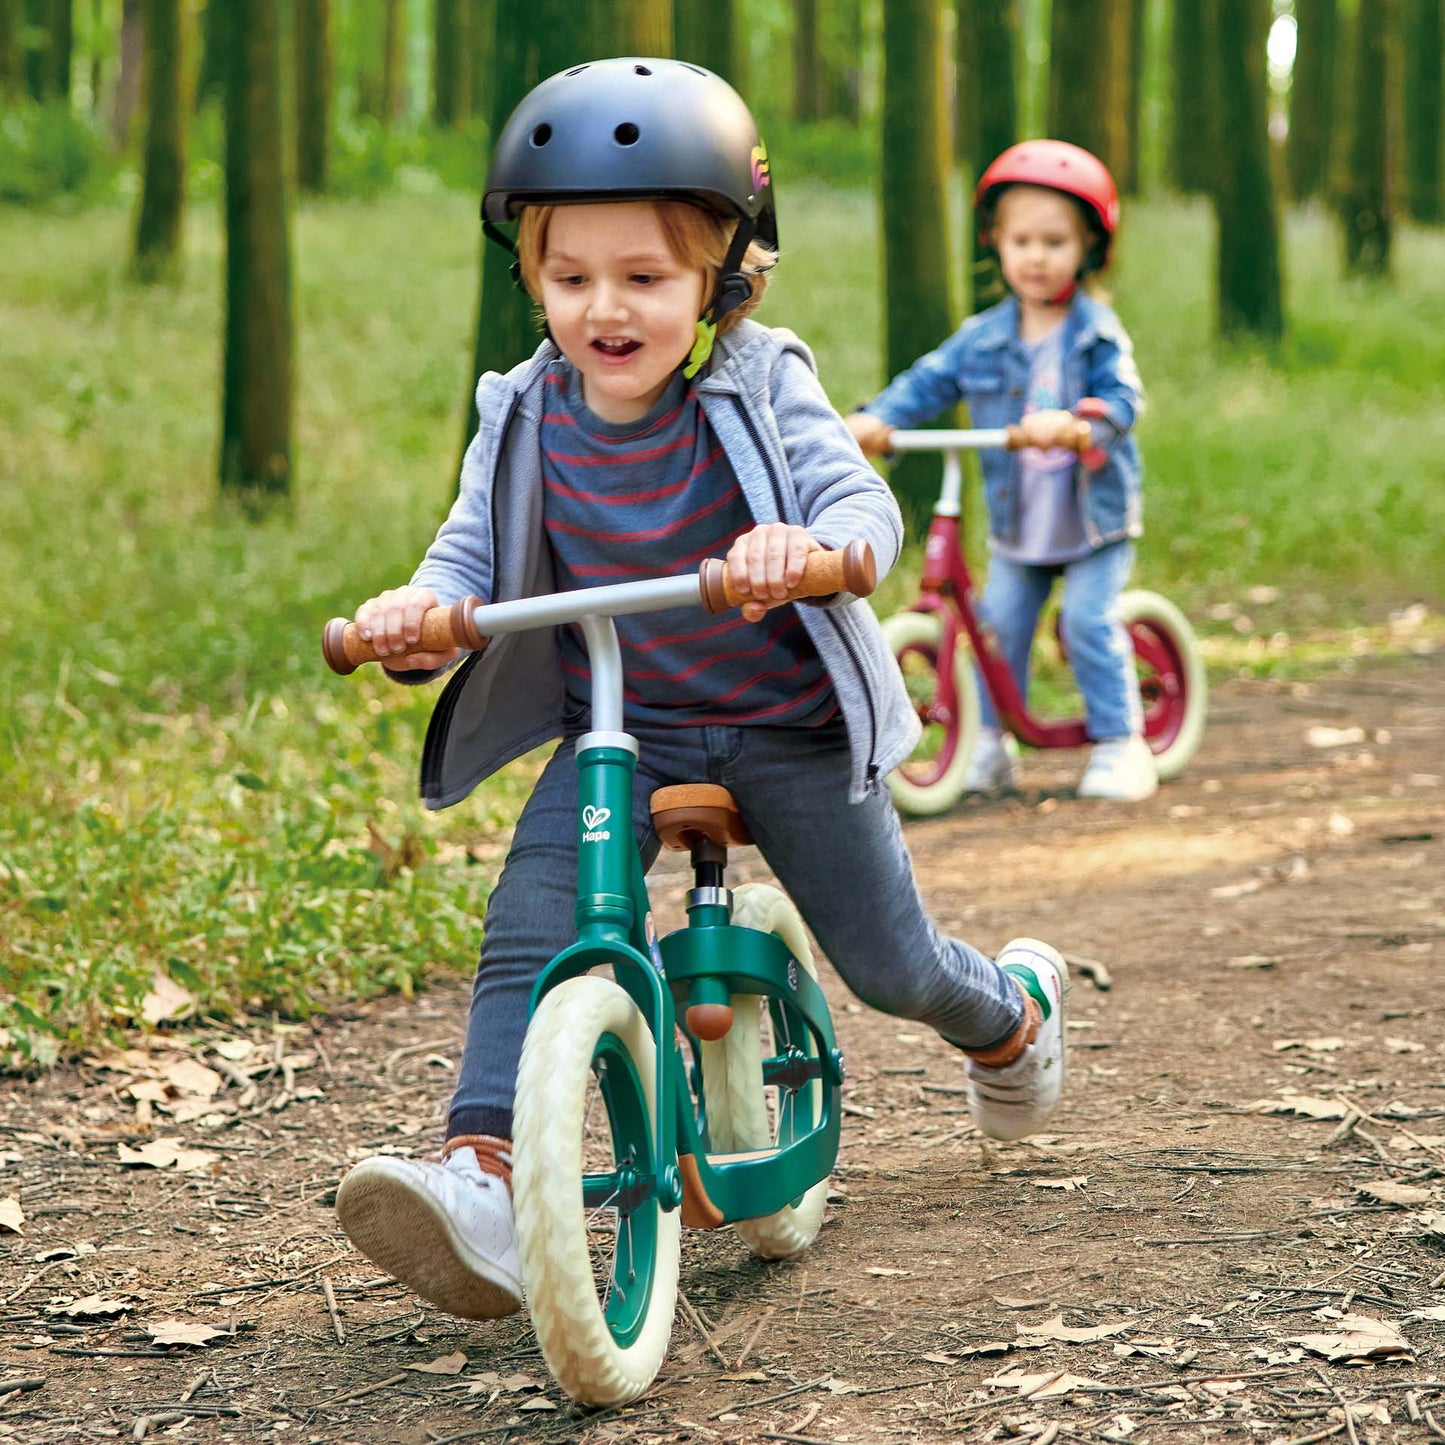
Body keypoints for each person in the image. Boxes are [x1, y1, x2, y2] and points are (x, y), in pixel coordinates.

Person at [332, 59, 1070, 1323]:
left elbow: (858, 507)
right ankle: (485, 1181)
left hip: (785, 724)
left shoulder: (762, 379)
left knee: (888, 963)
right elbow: (464, 558)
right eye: (569, 278)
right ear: (531, 276)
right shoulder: (521, 412)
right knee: (530, 923)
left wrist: (806, 550)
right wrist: (413, 617)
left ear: (723, 276)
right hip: (621, 722)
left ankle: (1006, 1013)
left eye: (644, 279)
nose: (602, 310)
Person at [847, 140, 1154, 803]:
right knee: (996, 629)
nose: (1036, 256)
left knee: (1085, 623)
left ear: (1088, 248)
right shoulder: (982, 336)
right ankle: (986, 746)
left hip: (1091, 521)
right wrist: (875, 418)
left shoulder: (1094, 330)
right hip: (1023, 528)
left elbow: (1123, 398)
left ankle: (1121, 741)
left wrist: (1080, 422)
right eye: (1021, 240)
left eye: (1054, 241)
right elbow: (930, 379)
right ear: (996, 243)